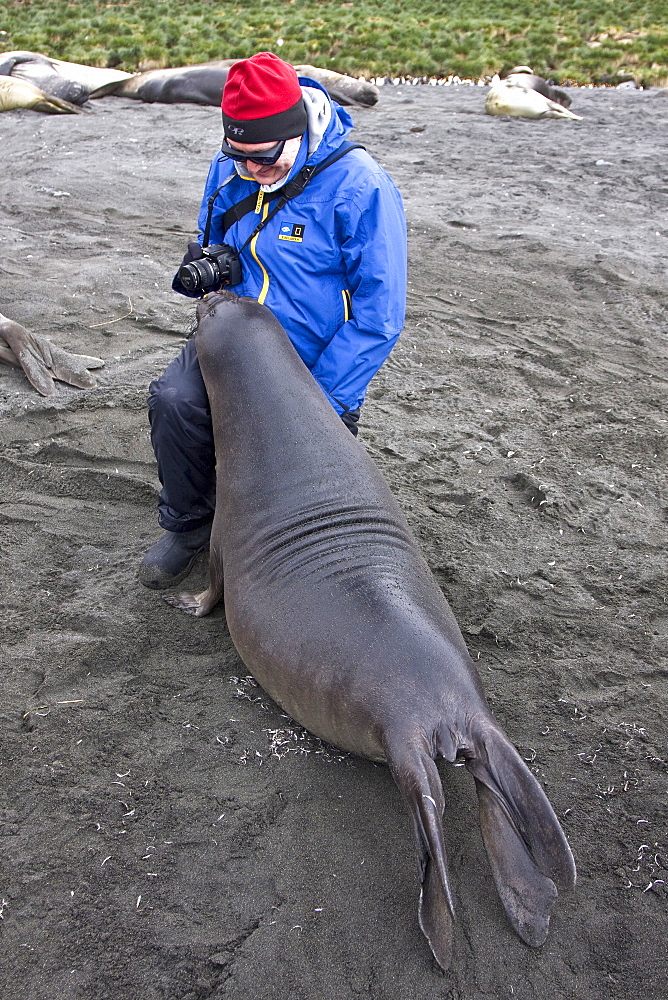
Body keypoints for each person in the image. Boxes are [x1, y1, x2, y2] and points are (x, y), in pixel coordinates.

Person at [139, 51, 407, 589]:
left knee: (302, 477)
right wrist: (212, 266)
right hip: (236, 335)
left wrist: (322, 402)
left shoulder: (360, 187)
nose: (250, 171)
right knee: (174, 402)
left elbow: (380, 315)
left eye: (262, 159)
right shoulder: (232, 165)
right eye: (238, 157)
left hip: (313, 358)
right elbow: (211, 236)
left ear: (297, 132)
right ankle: (189, 524)